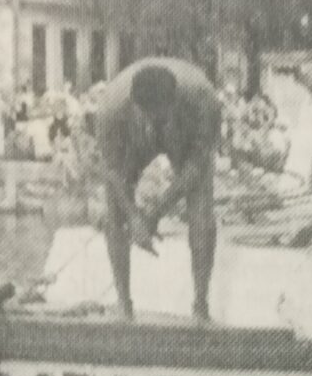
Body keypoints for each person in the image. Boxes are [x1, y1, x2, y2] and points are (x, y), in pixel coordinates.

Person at [95, 57, 221, 322]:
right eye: (151, 117)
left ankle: (200, 305)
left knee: (202, 216)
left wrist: (156, 212)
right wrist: (134, 216)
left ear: (174, 102)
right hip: (133, 139)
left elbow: (196, 168)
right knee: (114, 213)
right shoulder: (110, 109)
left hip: (185, 137)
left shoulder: (203, 100)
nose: (157, 122)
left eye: (162, 116)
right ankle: (123, 304)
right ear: (135, 106)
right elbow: (112, 171)